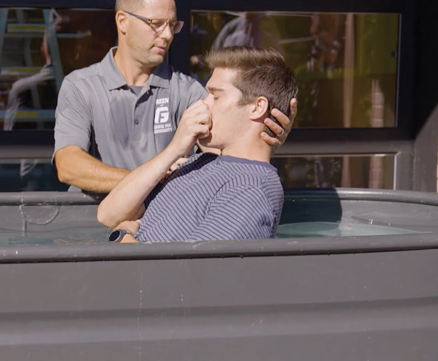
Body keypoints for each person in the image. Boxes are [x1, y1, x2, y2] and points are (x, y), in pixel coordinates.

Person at [53, 0, 297, 196]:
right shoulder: (80, 86)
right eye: (156, 23)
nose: (168, 34)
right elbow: (69, 166)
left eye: (172, 25)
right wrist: (147, 181)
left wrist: (263, 134)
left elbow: (230, 150)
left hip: (164, 231)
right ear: (123, 21)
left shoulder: (188, 91)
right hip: (89, 229)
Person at [97, 46, 298, 243]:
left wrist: (122, 237)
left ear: (257, 107)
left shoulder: (249, 188)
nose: (202, 104)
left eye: (216, 96)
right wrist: (174, 149)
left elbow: (191, 272)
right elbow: (109, 215)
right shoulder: (199, 162)